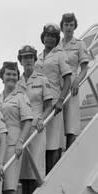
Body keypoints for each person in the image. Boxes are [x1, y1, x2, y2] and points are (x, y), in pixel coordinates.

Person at [0, 62, 33, 194]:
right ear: (2, 77)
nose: (11, 77)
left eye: (14, 74)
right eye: (8, 74)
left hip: (12, 146)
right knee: (1, 191)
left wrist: (21, 142)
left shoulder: (21, 96)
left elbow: (28, 121)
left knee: (9, 189)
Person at [16, 45, 54, 194]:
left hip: (36, 128)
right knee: (23, 169)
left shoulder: (42, 79)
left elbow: (49, 105)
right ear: (21, 61)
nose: (28, 60)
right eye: (25, 57)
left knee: (36, 168)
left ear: (34, 59)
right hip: (21, 129)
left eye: (30, 57)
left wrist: (42, 120)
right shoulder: (17, 82)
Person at [34, 23, 72, 174]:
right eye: (47, 35)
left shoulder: (60, 55)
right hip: (39, 104)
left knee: (53, 141)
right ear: (43, 37)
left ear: (57, 39)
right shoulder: (37, 58)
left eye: (53, 36)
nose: (49, 38)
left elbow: (67, 79)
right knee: (40, 141)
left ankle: (53, 174)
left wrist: (61, 100)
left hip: (54, 102)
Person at [58, 13, 90, 149]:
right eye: (66, 25)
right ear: (62, 26)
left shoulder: (79, 44)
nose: (69, 28)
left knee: (70, 124)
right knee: (58, 123)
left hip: (71, 85)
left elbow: (84, 68)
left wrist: (77, 80)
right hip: (56, 85)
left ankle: (69, 153)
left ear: (74, 26)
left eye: (71, 25)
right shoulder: (57, 45)